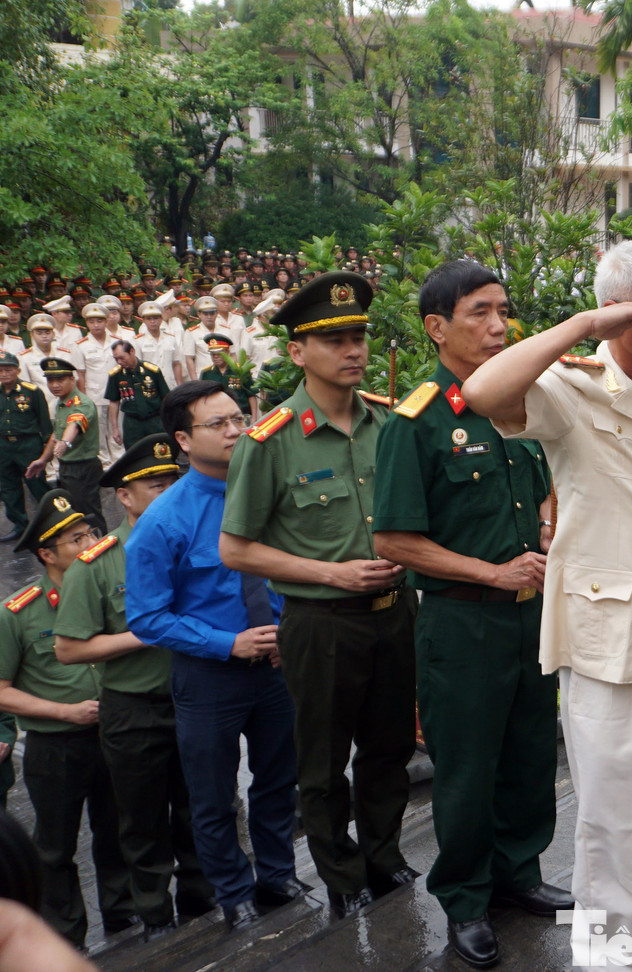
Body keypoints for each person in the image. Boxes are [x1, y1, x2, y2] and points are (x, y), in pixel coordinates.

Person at [464, 241, 632, 972]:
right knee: (609, 821)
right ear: (619, 315)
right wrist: (585, 324)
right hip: (608, 639)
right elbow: (482, 392)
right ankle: (610, 959)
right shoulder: (571, 390)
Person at [372, 260, 569, 967]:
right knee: (466, 768)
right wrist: (493, 571)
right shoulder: (419, 421)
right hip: (462, 622)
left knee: (529, 753)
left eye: (503, 311)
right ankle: (465, 900)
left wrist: (546, 529)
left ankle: (519, 874)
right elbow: (393, 539)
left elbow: (544, 489)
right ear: (437, 327)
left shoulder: (519, 403)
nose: (498, 325)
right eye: (479, 312)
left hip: (530, 617)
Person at [220, 272, 418, 922]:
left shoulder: (388, 422)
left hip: (394, 615)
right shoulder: (271, 440)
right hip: (321, 622)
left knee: (390, 748)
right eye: (334, 340)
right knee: (324, 760)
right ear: (298, 352)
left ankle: (384, 855)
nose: (353, 350)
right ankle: (340, 872)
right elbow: (236, 548)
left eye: (358, 336)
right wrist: (332, 574)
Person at [123, 382, 306, 933]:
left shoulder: (270, 490)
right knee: (212, 795)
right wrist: (227, 643)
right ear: (183, 440)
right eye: (217, 424)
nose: (234, 431)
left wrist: (286, 630)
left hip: (277, 666)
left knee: (278, 780)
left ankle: (278, 875)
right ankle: (234, 892)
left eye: (237, 419)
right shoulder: (164, 520)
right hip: (209, 676)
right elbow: (147, 618)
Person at [52, 436, 216, 941]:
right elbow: (69, 648)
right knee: (142, 821)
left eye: (173, 482)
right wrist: (150, 630)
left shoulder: (201, 538)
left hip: (197, 696)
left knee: (201, 809)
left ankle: (203, 899)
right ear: (124, 497)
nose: (169, 492)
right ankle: (155, 915)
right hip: (135, 709)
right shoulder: (99, 562)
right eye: (155, 486)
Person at [0, 490, 138, 948]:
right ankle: (66, 934)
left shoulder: (109, 591)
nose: (90, 544)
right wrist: (65, 711)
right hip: (55, 746)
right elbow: (1, 691)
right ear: (46, 554)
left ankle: (122, 914)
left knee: (116, 830)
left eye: (91, 533)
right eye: (76, 539)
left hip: (113, 732)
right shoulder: (18, 613)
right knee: (55, 846)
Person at [25, 358, 104, 536]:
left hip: (83, 468)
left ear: (72, 379)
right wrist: (43, 460)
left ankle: (101, 546)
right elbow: (56, 435)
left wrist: (65, 442)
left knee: (88, 514)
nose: (54, 385)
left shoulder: (81, 403)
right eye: (50, 380)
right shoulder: (62, 403)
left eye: (60, 380)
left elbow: (75, 424)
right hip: (68, 467)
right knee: (74, 514)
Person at [0, 351, 52, 543]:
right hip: (4, 445)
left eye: (8, 369)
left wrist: (47, 447)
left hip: (28, 444)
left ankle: (53, 520)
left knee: (37, 484)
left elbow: (44, 422)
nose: (4, 374)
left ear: (18, 370)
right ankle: (20, 526)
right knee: (9, 488)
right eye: (0, 370)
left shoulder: (32, 391)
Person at [74, 305, 120, 468]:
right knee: (98, 430)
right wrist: (83, 397)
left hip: (116, 393)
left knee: (117, 426)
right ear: (86, 324)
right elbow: (80, 374)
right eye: (91, 322)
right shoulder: (80, 345)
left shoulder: (117, 341)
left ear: (106, 321)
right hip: (94, 393)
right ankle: (104, 461)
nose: (96, 325)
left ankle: (119, 459)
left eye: (99, 321)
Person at [105, 341, 170, 449]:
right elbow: (114, 401)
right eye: (116, 359)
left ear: (132, 351)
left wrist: (167, 421)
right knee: (134, 453)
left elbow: (165, 397)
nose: (119, 362)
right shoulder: (116, 375)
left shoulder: (152, 371)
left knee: (159, 452)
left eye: (122, 358)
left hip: (154, 420)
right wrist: (115, 428)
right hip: (132, 423)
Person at [199, 334, 255, 418]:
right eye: (213, 354)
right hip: (217, 416)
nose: (216, 357)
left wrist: (254, 417)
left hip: (241, 414)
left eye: (219, 353)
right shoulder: (206, 373)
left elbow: (251, 395)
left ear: (228, 352)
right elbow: (202, 398)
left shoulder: (240, 370)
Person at [134, 299, 186, 386]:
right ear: (143, 321)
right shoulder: (138, 341)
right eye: (148, 319)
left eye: (155, 318)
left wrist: (179, 385)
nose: (152, 321)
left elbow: (176, 364)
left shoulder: (171, 338)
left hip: (169, 383)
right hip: (150, 384)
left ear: (161, 319)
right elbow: (137, 367)